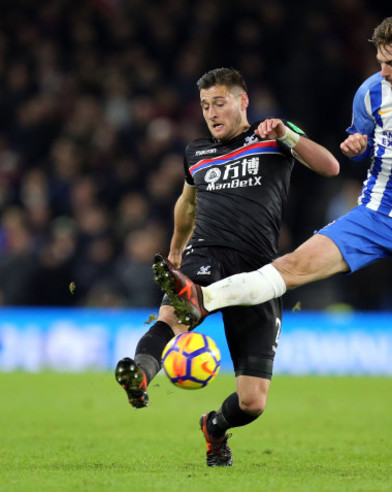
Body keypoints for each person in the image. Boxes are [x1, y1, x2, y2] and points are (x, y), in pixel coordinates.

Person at [155, 11, 392, 457]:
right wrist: (356, 145)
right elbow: (358, 142)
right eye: (379, 61)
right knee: (289, 268)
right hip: (375, 215)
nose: (382, 72)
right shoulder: (370, 93)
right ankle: (202, 297)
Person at [114, 67, 340, 467]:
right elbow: (186, 204)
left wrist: (286, 135)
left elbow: (330, 167)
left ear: (242, 101)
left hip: (260, 272)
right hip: (207, 255)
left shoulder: (272, 136)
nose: (211, 113)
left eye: (219, 102)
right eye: (204, 106)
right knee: (174, 313)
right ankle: (140, 378)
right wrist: (176, 251)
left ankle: (214, 427)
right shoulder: (196, 152)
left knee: (252, 402)